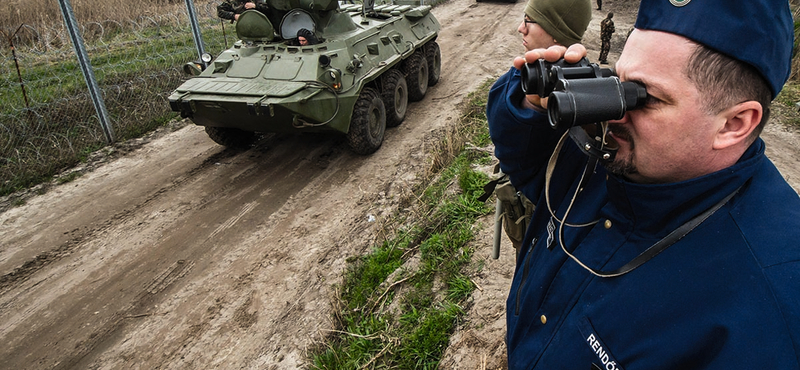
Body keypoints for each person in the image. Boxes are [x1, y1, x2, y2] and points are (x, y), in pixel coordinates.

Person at [486, 0, 800, 368]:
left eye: (644, 97)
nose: (615, 110)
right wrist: (530, 107)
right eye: (618, 82)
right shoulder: (614, 155)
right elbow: (523, 165)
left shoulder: (768, 311)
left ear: (734, 124)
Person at [486, 0, 591, 251]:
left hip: (538, 220)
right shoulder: (582, 81)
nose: (520, 28)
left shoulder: (540, 89)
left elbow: (505, 137)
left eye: (529, 21)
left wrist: (528, 107)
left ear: (555, 31)